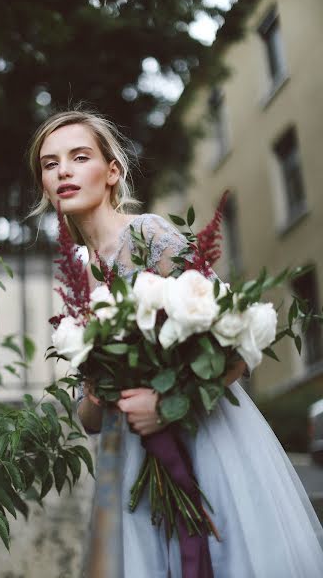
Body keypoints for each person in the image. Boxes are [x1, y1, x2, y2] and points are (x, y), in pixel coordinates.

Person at [29, 109, 323, 577]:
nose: (62, 170)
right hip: (132, 464)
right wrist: (97, 393)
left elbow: (239, 342)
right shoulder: (80, 277)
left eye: (78, 157)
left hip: (206, 443)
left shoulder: (148, 236)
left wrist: (167, 404)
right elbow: (89, 417)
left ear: (112, 171)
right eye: (49, 164)